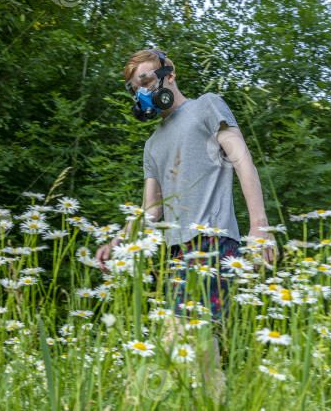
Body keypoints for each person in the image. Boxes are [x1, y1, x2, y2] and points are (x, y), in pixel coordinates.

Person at [94, 48, 279, 404]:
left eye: (146, 80)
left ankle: (137, 401)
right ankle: (215, 402)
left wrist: (260, 225)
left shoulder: (207, 106)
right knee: (201, 349)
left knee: (171, 345)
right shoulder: (152, 145)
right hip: (176, 253)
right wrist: (119, 240)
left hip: (212, 241)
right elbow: (151, 211)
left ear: (169, 75)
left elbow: (242, 159)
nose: (142, 91)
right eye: (135, 88)